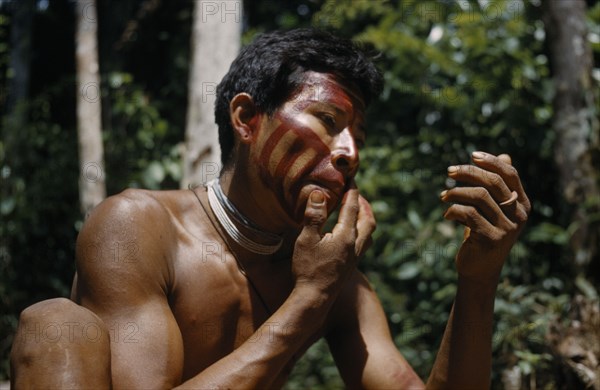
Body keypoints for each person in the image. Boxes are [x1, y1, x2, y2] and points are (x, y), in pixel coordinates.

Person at [10, 28, 530, 389]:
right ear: (246, 118)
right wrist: (309, 300)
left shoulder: (338, 281)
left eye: (357, 136)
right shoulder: (139, 228)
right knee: (55, 325)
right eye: (327, 119)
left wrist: (479, 278)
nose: (350, 152)